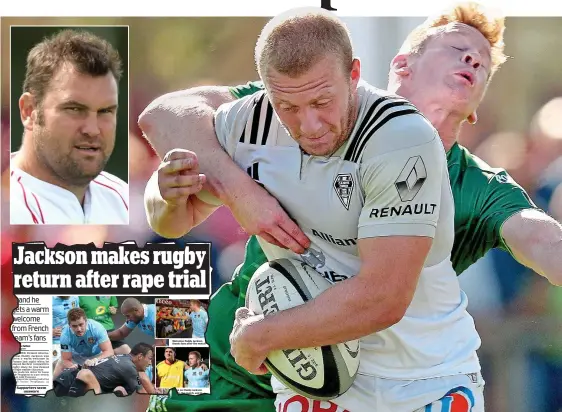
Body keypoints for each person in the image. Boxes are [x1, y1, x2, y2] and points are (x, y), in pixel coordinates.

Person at [141, 4, 562, 412]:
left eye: (482, 63)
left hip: (331, 376)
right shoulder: (307, 99)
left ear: (475, 110)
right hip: (221, 337)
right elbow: (164, 116)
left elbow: (544, 239)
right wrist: (238, 193)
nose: (472, 59)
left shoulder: (478, 187)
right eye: (456, 48)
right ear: (402, 66)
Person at [10, 29, 128, 225]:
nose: (92, 129)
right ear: (29, 111)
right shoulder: (10, 204)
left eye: (105, 111)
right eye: (74, 108)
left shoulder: (123, 198)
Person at [54, 342, 156, 397]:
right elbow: (142, 394)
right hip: (76, 379)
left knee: (121, 389)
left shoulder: (123, 357)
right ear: (140, 356)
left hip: (68, 377)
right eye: (150, 358)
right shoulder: (130, 368)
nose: (150, 362)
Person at [53, 308, 114, 380]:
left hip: (96, 356)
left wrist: (95, 360)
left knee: (111, 366)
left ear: (86, 321)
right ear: (69, 325)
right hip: (77, 357)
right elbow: (66, 359)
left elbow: (109, 351)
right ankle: (52, 386)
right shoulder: (65, 334)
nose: (78, 329)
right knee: (60, 363)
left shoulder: (97, 327)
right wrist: (73, 367)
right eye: (74, 326)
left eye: (81, 324)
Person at [52, 296, 79, 367]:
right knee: (57, 366)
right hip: (56, 340)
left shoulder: (75, 298)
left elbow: (79, 316)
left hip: (74, 338)